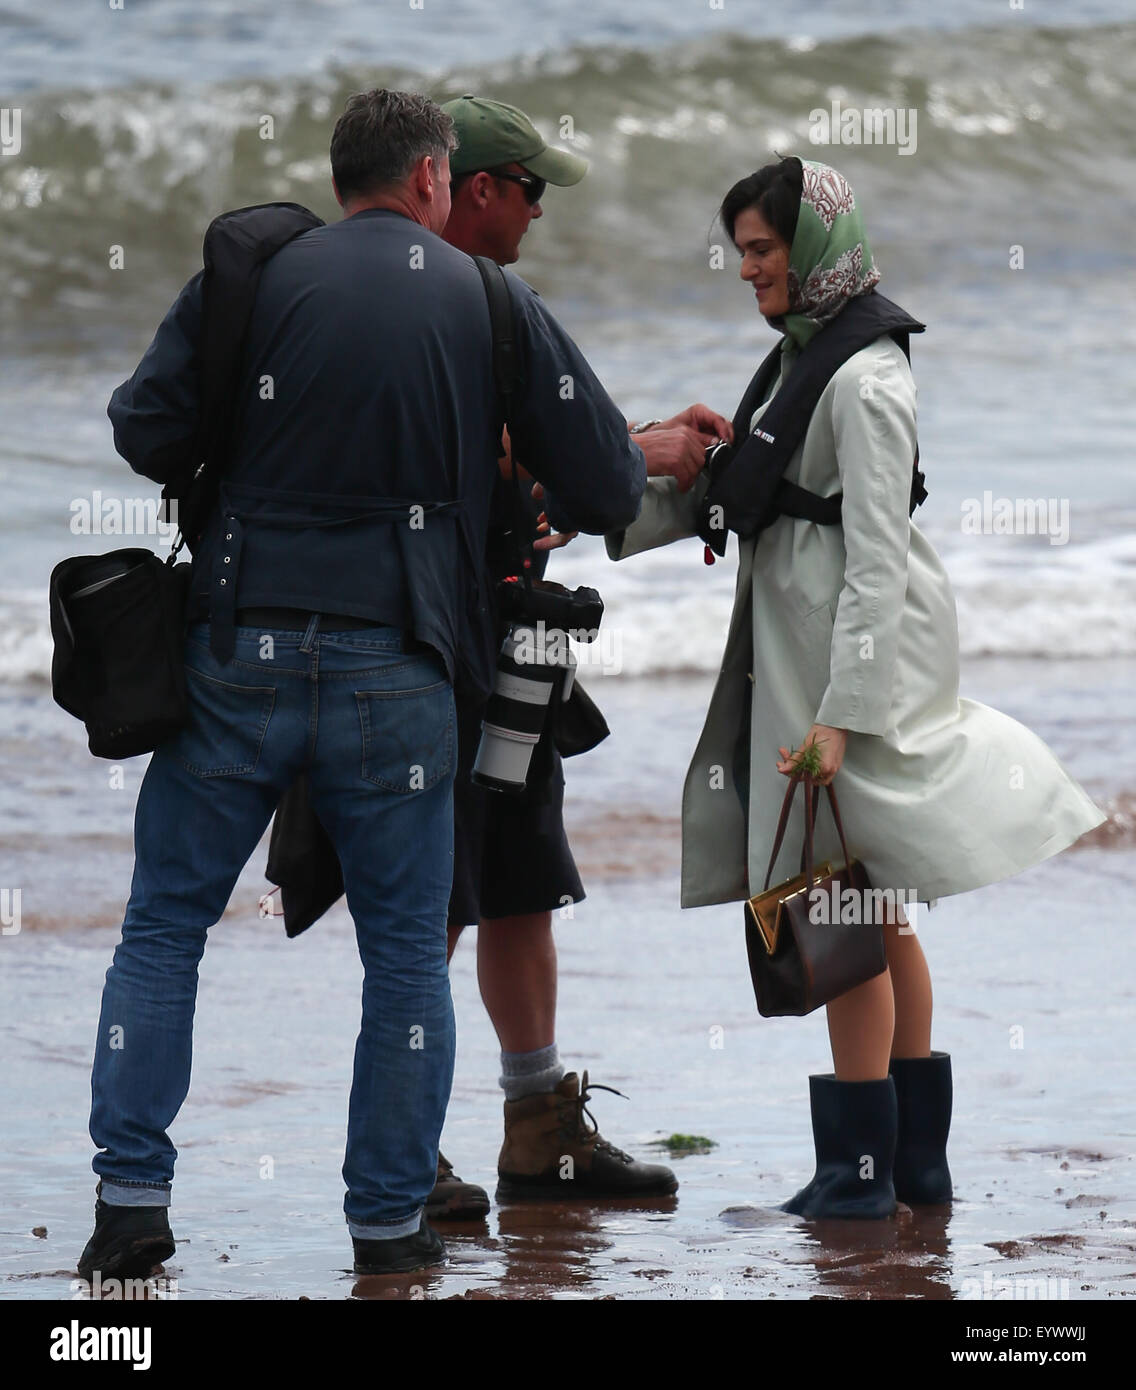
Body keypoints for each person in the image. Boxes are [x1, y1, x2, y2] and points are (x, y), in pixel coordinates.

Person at [79, 88, 646, 1282]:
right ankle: (385, 1227)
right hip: (401, 670)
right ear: (435, 181)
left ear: (341, 180)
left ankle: (131, 1206)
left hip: (237, 655)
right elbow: (601, 482)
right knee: (400, 955)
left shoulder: (253, 275)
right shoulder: (491, 301)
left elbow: (142, 428)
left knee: (165, 927)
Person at [605, 156, 1106, 1218]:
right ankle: (910, 1165)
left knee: (842, 898)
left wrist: (837, 716)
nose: (744, 270)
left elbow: (876, 559)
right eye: (738, 250)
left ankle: (858, 1172)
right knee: (874, 900)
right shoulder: (801, 358)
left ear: (813, 249)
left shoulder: (867, 379)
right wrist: (601, 497)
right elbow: (751, 491)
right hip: (810, 633)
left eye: (760, 249)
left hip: (849, 651)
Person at [422, 94, 728, 1214]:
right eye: (531, 189)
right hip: (446, 642)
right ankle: (408, 1146)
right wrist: (634, 452)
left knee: (515, 878)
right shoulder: (475, 308)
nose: (541, 212)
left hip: (492, 628)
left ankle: (536, 1127)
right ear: (479, 190)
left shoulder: (424, 304)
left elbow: (542, 472)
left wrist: (628, 444)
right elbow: (560, 478)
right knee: (444, 892)